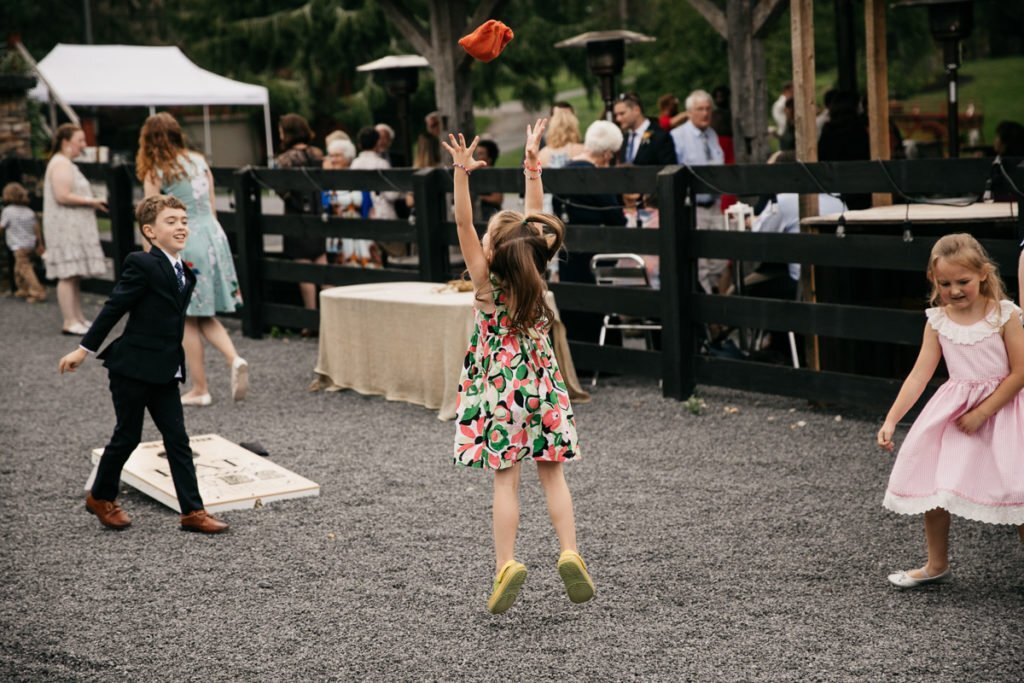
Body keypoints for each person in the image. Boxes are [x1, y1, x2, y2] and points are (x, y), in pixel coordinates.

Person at [442, 119, 594, 615]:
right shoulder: (535, 273)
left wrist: (461, 175)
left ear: (491, 251)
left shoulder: (486, 286)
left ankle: (507, 563)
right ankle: (570, 551)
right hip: (543, 384)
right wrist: (532, 167)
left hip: (500, 389)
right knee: (553, 475)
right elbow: (535, 221)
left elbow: (464, 224)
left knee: (506, 478)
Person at [58, 195, 230, 534]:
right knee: (127, 436)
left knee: (178, 439)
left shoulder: (186, 274)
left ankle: (193, 512)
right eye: (171, 221)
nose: (181, 226)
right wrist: (83, 349)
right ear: (150, 231)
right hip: (132, 368)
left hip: (165, 370)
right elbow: (115, 307)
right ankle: (101, 498)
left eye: (183, 220)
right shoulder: (141, 263)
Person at [877, 233, 1024, 588]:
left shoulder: (1004, 315)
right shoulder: (938, 322)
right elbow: (918, 375)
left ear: (984, 274)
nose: (955, 290)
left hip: (1004, 413)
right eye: (945, 283)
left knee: (1017, 490)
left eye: (963, 281)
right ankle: (936, 563)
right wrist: (892, 418)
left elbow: (1020, 372)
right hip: (955, 415)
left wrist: (982, 412)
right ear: (933, 280)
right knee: (935, 484)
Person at [138, 112, 247, 407]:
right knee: (204, 313)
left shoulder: (156, 170)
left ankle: (200, 388)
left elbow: (152, 219)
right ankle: (234, 358)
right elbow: (210, 204)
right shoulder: (198, 161)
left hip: (184, 240)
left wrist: (151, 260)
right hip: (212, 235)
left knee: (185, 317)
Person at [552, 120, 627, 343]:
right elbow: (615, 216)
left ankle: (577, 353)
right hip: (595, 250)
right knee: (596, 300)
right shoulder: (595, 176)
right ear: (606, 154)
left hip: (568, 248)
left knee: (573, 302)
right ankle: (605, 354)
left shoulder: (563, 171)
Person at [42, 123, 108, 335]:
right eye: (80, 140)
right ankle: (69, 321)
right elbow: (62, 195)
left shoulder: (66, 163)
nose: (83, 144)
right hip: (65, 228)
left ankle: (78, 318)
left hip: (71, 226)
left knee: (74, 275)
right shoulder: (61, 163)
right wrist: (91, 201)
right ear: (66, 142)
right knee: (67, 274)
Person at [671, 90, 727, 293]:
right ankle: (707, 319)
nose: (705, 113)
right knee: (700, 263)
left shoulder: (712, 134)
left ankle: (714, 304)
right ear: (689, 112)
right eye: (700, 109)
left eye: (708, 109)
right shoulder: (678, 137)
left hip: (715, 205)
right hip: (694, 207)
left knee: (720, 258)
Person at [275, 113, 326, 315]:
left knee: (304, 269)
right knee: (323, 266)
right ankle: (332, 317)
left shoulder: (284, 159)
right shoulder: (317, 153)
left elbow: (281, 190)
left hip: (296, 216)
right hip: (317, 214)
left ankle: (310, 316)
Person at [351, 126, 401, 268]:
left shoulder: (355, 164)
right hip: (382, 213)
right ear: (376, 142)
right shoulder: (381, 163)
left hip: (362, 214)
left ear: (359, 144)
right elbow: (391, 195)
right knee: (395, 254)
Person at [1, 181, 47, 303]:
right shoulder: (29, 212)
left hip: (18, 246)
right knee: (18, 269)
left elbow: (2, 226)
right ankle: (23, 289)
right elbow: (37, 229)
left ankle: (38, 292)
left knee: (25, 270)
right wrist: (40, 244)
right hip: (30, 245)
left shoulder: (8, 211)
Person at [613, 92, 676, 167]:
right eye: (616, 115)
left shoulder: (660, 136)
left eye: (622, 113)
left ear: (636, 110)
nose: (618, 119)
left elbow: (669, 170)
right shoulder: (623, 138)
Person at [473, 139, 503, 222]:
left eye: (481, 154)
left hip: (490, 217)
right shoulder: (476, 174)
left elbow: (497, 198)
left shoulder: (492, 174)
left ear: (490, 158)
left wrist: (478, 197)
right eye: (477, 154)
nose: (477, 157)